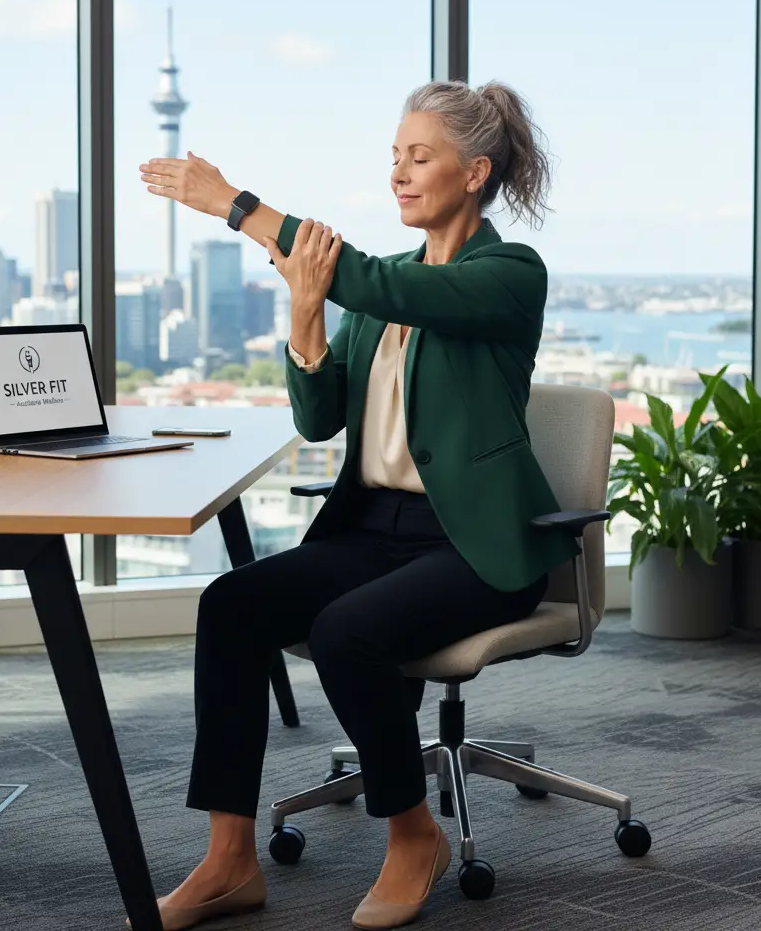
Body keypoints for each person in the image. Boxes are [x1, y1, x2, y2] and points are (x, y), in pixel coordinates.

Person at [136, 80, 578, 930]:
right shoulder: (385, 292)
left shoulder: (508, 275)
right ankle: (229, 861)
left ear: (475, 173)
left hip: (473, 545)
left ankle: (414, 836)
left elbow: (374, 284)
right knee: (230, 605)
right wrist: (305, 317)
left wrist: (235, 206)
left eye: (420, 157)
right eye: (394, 158)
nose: (398, 174)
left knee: (348, 631)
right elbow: (320, 419)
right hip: (375, 529)